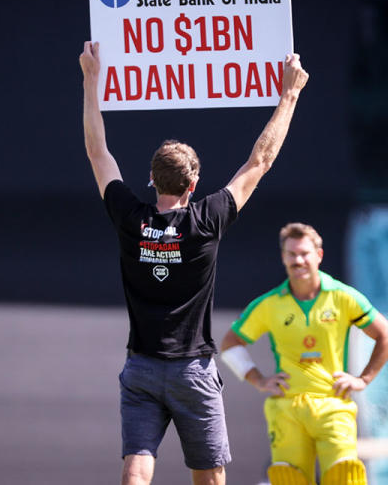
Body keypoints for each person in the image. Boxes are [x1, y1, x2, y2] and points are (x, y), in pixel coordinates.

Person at [78, 41, 310, 485]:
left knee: (136, 470)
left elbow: (97, 152)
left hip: (142, 366)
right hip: (192, 370)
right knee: (209, 476)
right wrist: (290, 94)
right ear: (194, 183)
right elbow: (260, 160)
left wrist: (91, 79)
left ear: (151, 178)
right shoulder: (206, 220)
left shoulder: (130, 216)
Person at [219, 223, 388, 485]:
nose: (298, 260)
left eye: (304, 253)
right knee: (287, 479)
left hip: (333, 402)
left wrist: (364, 379)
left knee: (344, 477)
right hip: (287, 406)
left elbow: (387, 336)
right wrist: (259, 380)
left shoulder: (343, 297)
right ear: (283, 257)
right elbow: (230, 343)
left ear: (319, 255)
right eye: (291, 254)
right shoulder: (269, 304)